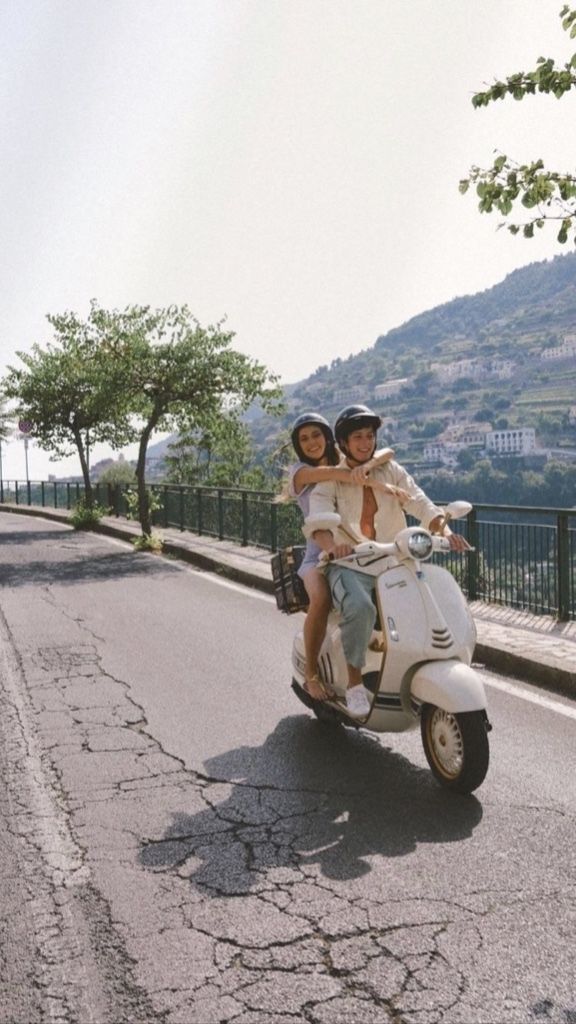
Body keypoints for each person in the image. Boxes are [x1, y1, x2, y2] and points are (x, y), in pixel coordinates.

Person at [304, 404, 470, 717]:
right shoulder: (335, 476)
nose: (365, 443)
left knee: (429, 599)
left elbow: (421, 502)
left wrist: (445, 531)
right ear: (343, 443)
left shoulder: (391, 470)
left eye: (369, 436)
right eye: (358, 437)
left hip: (394, 559)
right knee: (360, 607)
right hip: (351, 562)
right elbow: (319, 520)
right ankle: (354, 683)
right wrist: (333, 547)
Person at [285, 412, 405, 702]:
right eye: (304, 438)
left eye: (316, 435)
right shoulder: (301, 472)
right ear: (298, 446)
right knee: (322, 598)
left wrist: (370, 464)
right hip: (319, 553)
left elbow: (388, 452)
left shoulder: (344, 458)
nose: (311, 442)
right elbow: (335, 475)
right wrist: (369, 476)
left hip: (351, 551)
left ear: (328, 437)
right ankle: (312, 675)